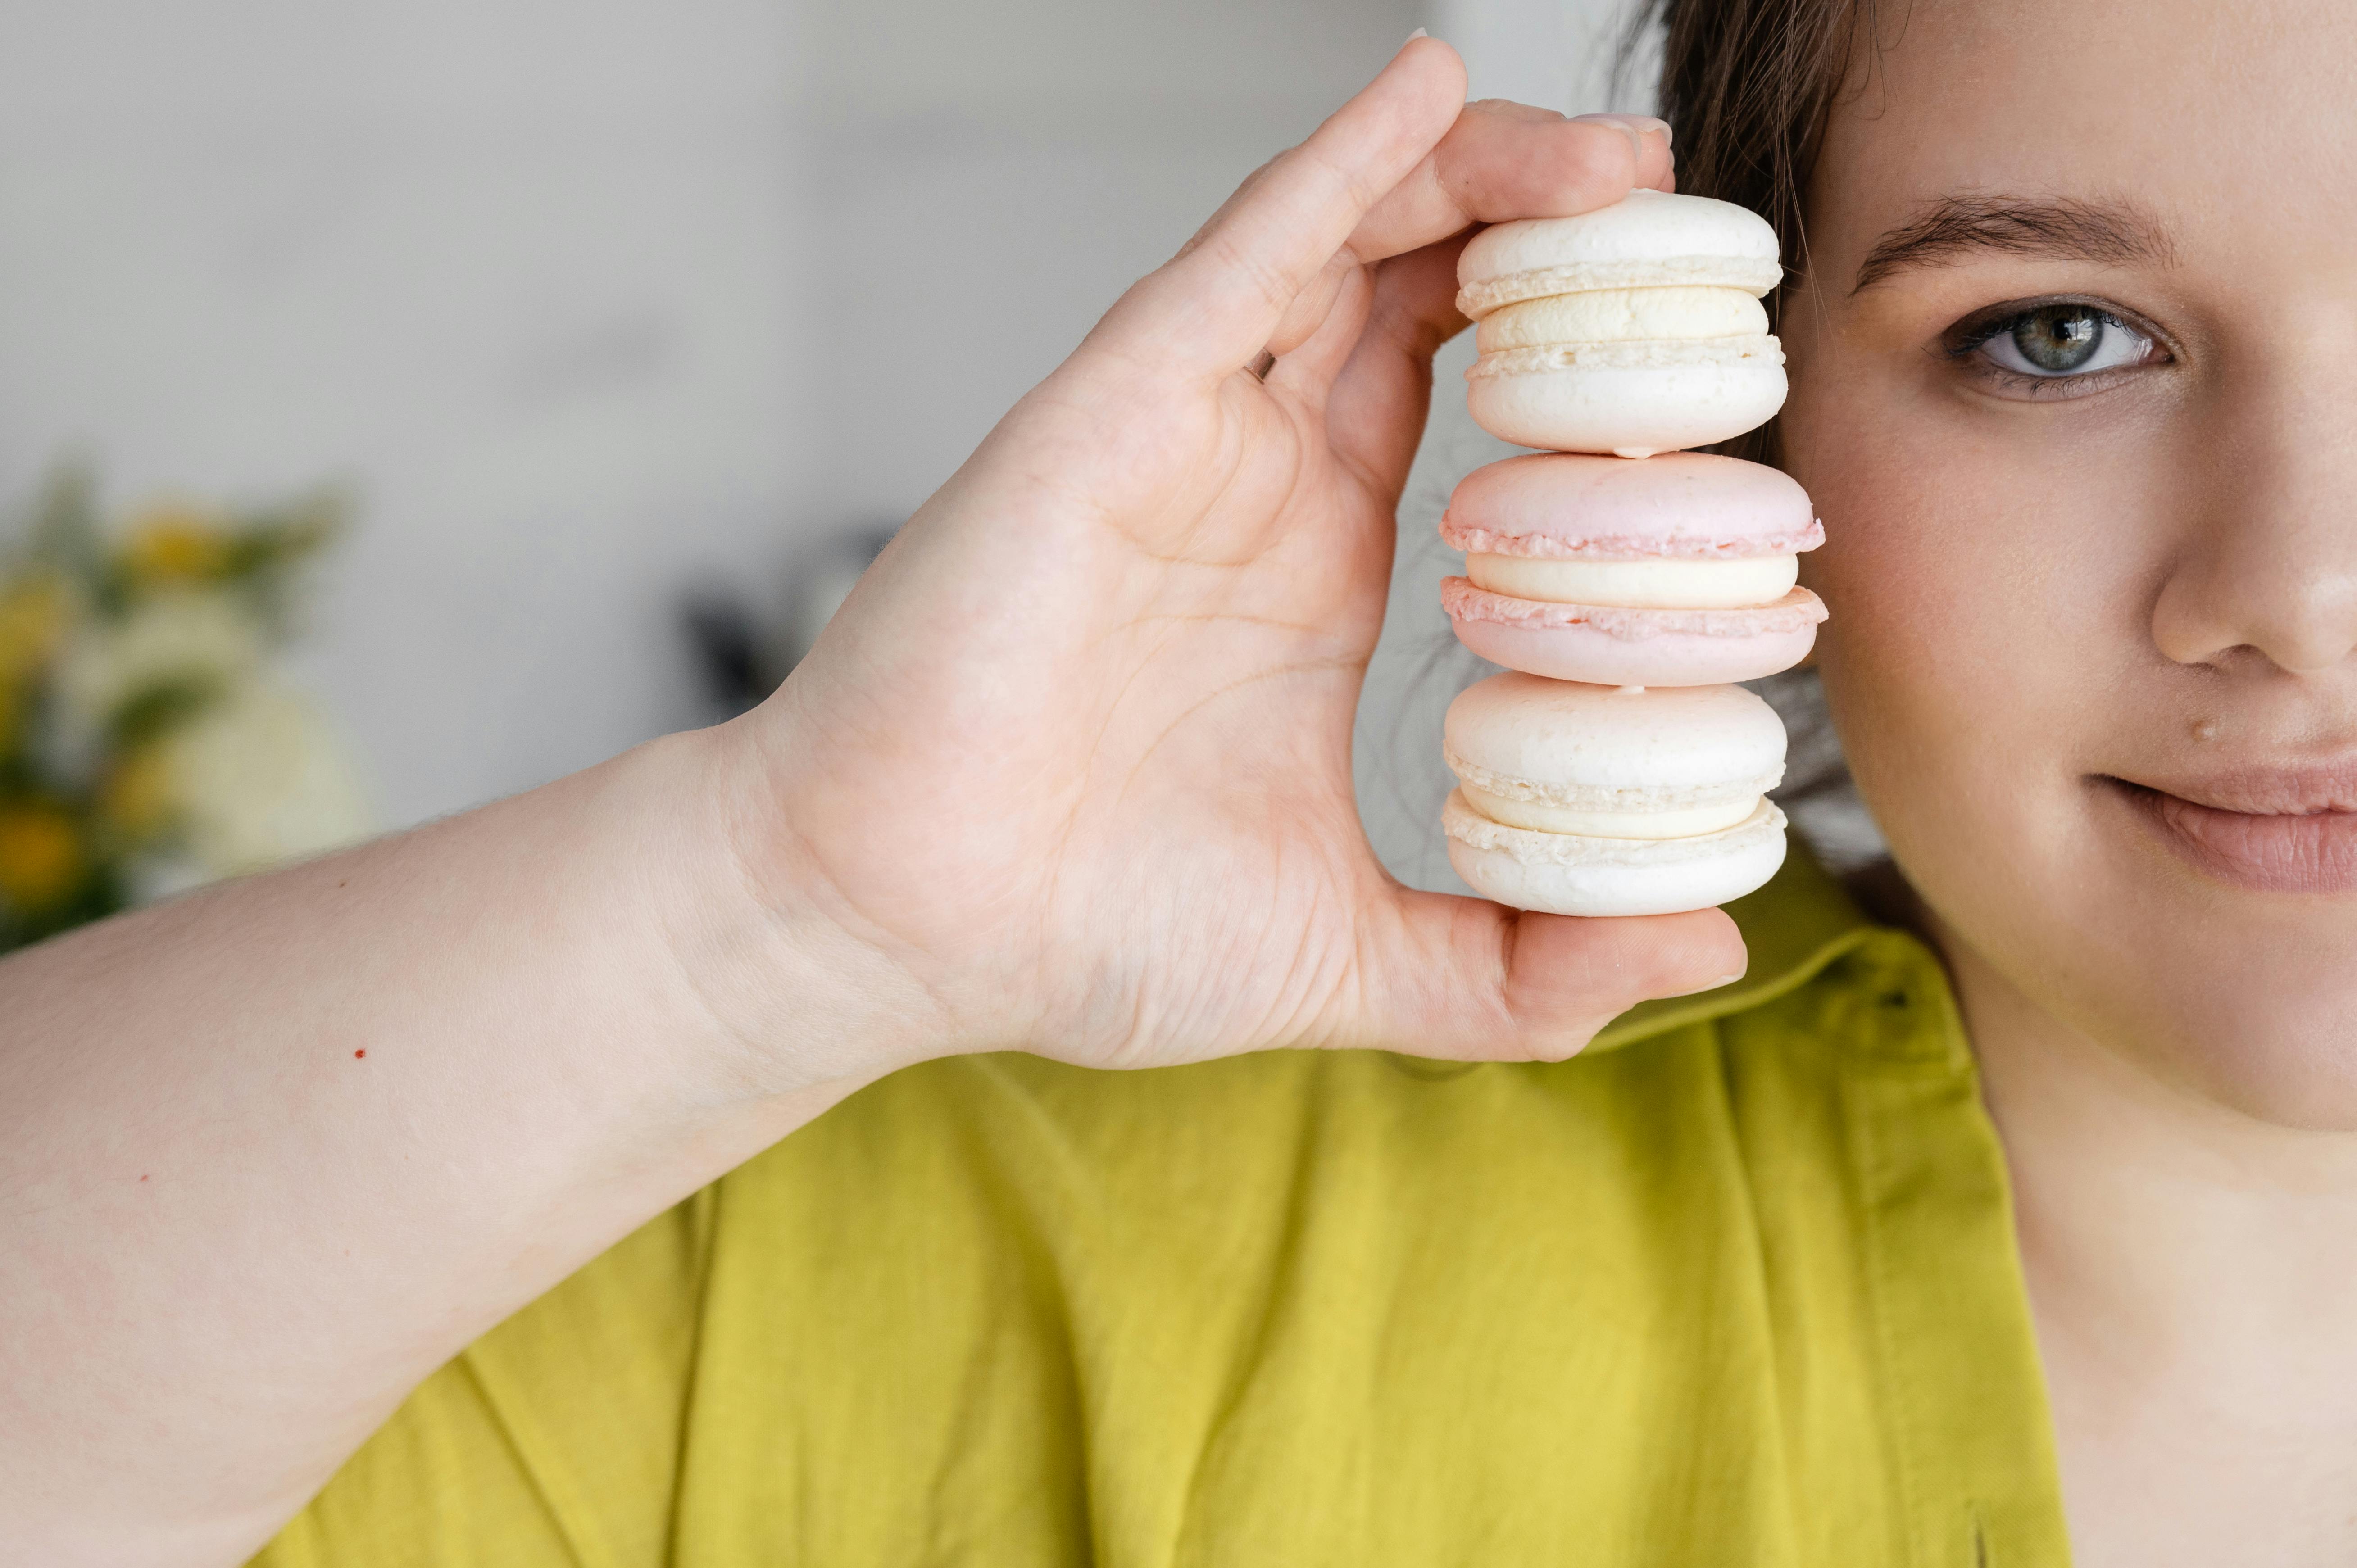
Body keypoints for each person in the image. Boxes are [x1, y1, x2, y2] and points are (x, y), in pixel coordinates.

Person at [6, 0, 2356, 1559]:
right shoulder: (1096, 1264)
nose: (2300, 592)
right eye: (2054, 335)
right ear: (1751, 431)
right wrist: (787, 902)